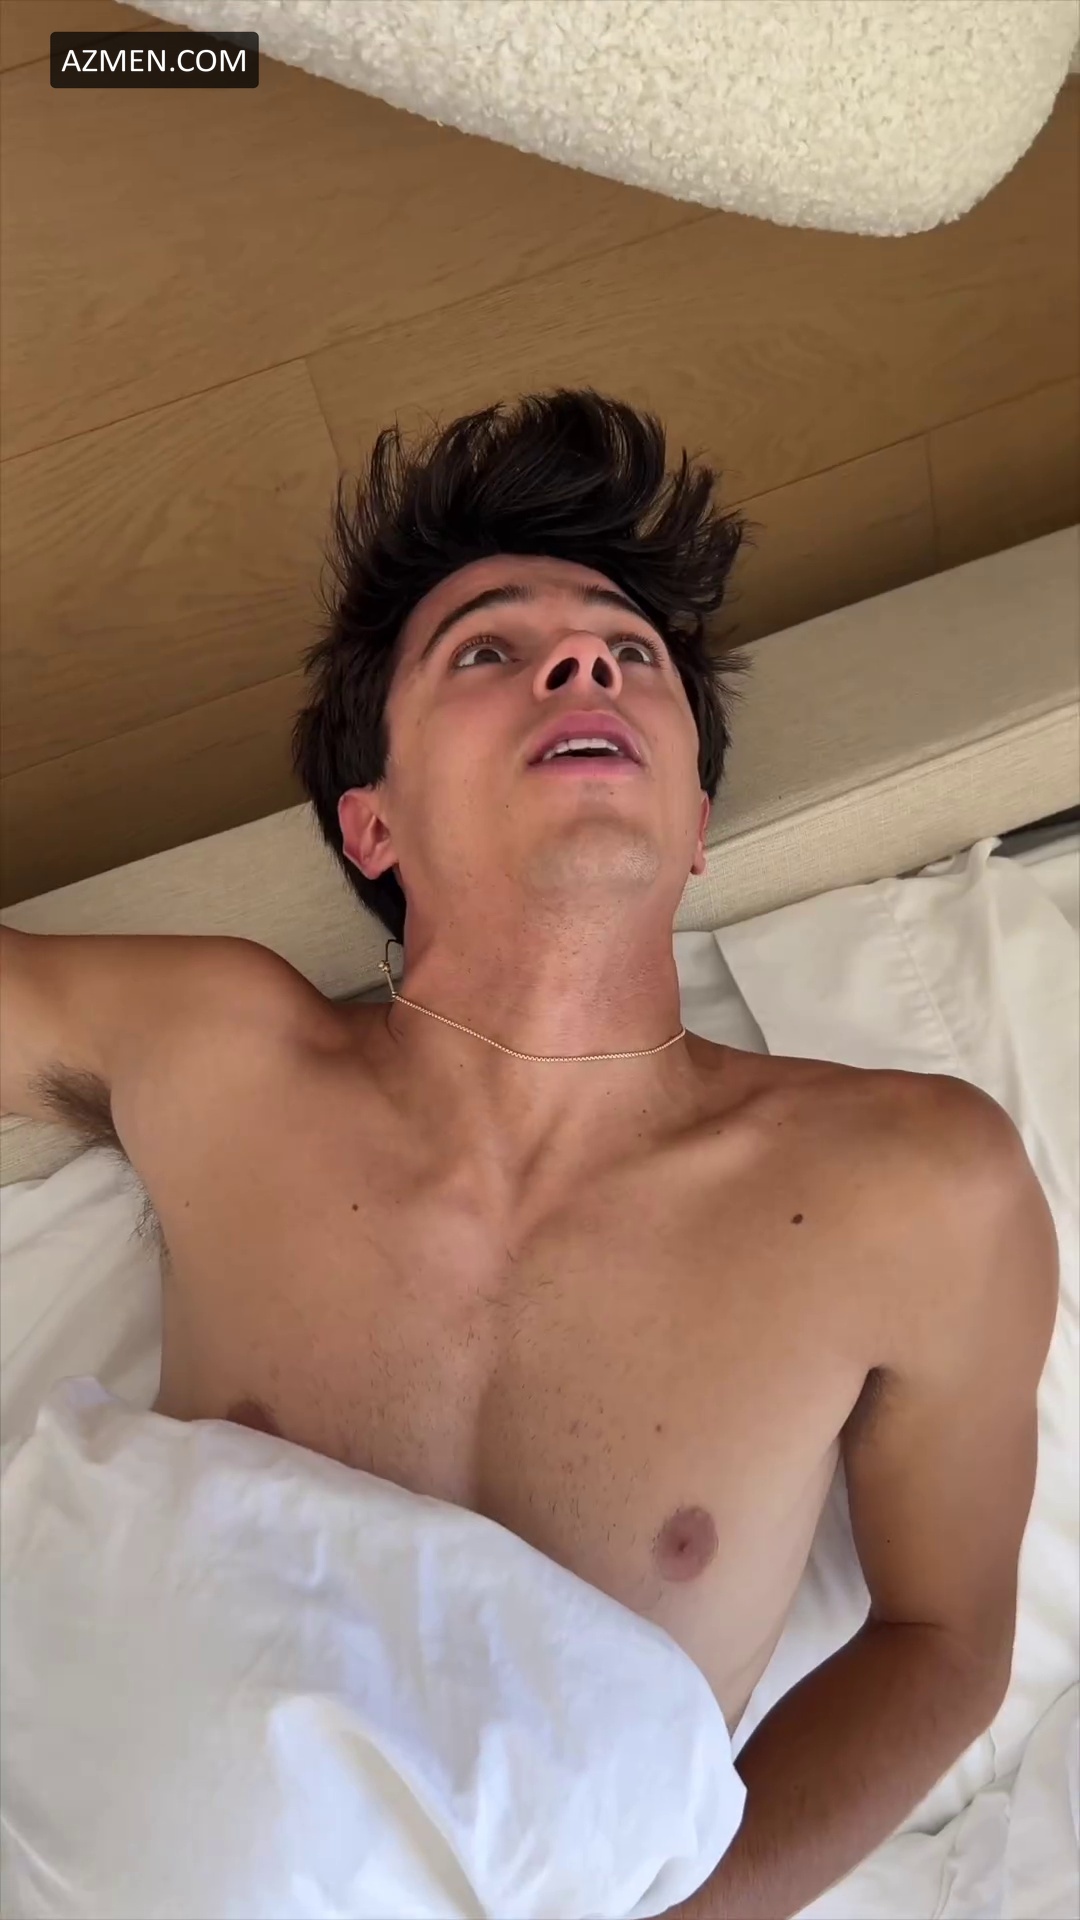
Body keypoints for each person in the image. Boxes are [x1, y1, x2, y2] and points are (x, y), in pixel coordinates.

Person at [0, 389, 1058, 1919]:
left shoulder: (919, 1189)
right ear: (371, 825)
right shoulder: (221, 1050)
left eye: (631, 653)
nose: (583, 662)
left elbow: (946, 1643)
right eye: (486, 652)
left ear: (695, 819)